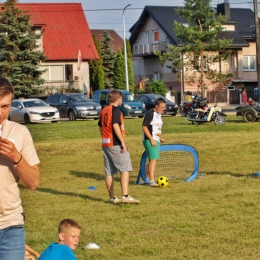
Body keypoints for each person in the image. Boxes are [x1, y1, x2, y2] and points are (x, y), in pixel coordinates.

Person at [0, 76, 40, 260]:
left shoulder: (19, 132)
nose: (0, 112)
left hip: (11, 226)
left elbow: (33, 183)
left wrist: (17, 157)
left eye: (4, 107)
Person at [98, 90, 140, 204]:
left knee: (109, 172)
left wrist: (104, 137)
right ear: (118, 99)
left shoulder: (104, 110)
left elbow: (101, 126)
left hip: (106, 143)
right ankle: (125, 196)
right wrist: (122, 142)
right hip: (115, 143)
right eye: (121, 99)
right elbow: (115, 125)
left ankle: (112, 198)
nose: (121, 101)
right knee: (125, 169)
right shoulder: (116, 109)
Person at [142, 98, 166, 187]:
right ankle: (152, 180)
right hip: (149, 140)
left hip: (156, 139)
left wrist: (160, 138)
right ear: (156, 106)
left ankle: (147, 178)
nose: (163, 109)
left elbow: (155, 128)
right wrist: (151, 139)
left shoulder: (159, 114)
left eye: (164, 107)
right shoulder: (150, 114)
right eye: (162, 107)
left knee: (153, 159)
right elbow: (144, 127)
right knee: (153, 159)